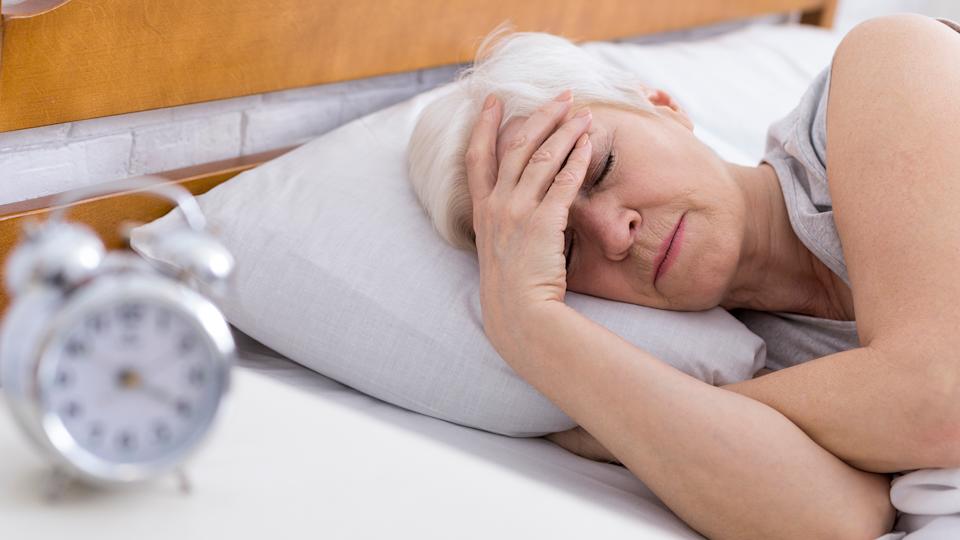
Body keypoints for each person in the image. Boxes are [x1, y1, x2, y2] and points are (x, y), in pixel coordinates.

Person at [407, 14, 960, 539]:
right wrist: (530, 322)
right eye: (565, 245)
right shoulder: (736, 357)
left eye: (601, 167)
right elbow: (841, 522)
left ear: (662, 106)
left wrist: (613, 434)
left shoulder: (889, 66)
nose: (615, 234)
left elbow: (941, 399)